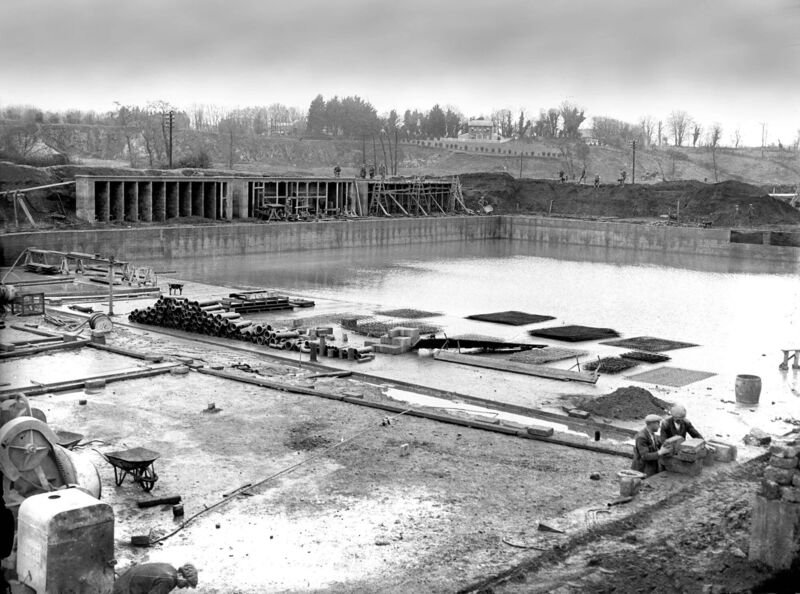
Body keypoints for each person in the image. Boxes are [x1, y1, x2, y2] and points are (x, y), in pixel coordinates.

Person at [113, 562, 198, 594]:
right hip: (124, 590)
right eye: (186, 584)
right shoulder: (169, 580)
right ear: (181, 575)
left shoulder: (170, 568)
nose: (185, 587)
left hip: (124, 580)